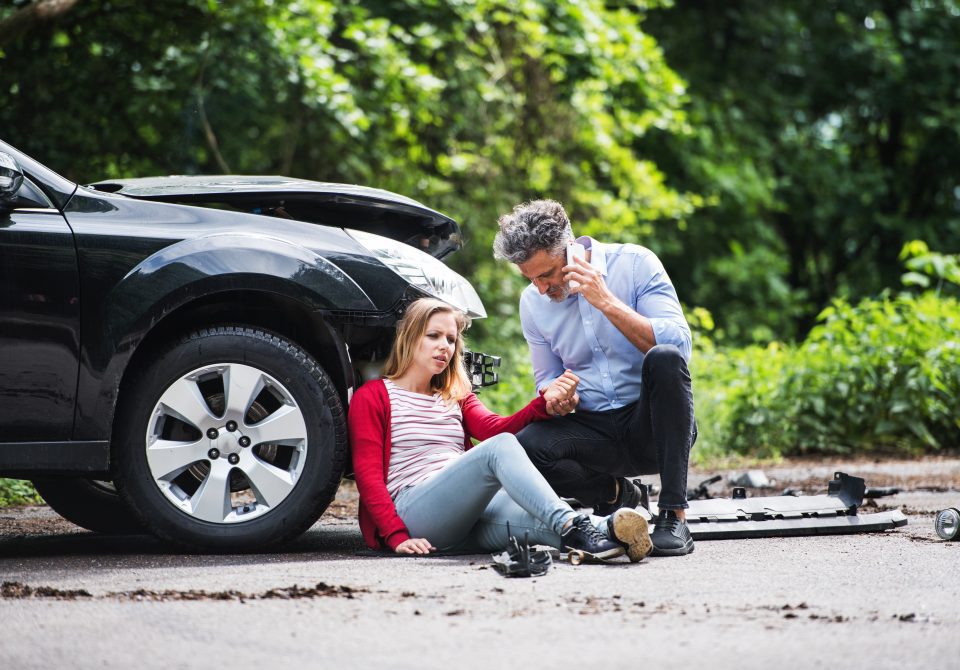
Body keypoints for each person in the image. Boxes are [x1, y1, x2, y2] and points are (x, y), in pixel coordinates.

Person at [348, 297, 652, 562]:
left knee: (535, 517)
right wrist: (396, 535)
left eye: (451, 340)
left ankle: (611, 532)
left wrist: (541, 406)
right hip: (414, 512)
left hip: (462, 515)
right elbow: (368, 476)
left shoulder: (455, 395)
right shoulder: (374, 396)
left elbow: (494, 428)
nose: (445, 346)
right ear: (410, 337)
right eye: (434, 336)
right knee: (501, 450)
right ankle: (575, 527)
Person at [493, 199, 697, 556]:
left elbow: (679, 347)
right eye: (530, 278)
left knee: (664, 358)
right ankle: (616, 494)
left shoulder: (635, 263)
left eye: (547, 274)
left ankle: (674, 514)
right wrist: (556, 397)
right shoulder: (533, 303)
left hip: (651, 425)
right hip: (593, 431)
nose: (541, 288)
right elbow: (546, 378)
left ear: (572, 253)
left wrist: (605, 301)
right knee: (523, 447)